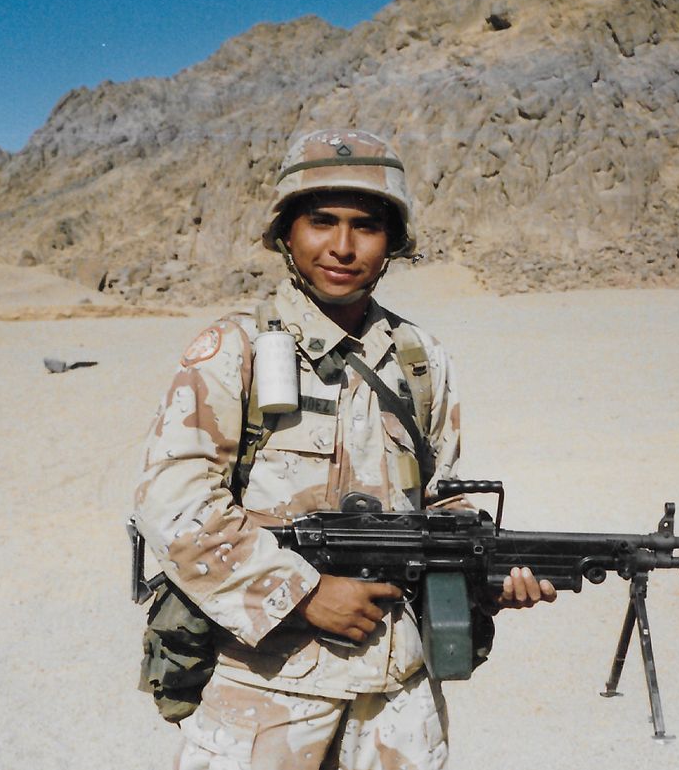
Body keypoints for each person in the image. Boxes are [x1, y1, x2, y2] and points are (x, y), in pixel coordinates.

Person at [132, 129, 555, 770]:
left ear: (394, 242)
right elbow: (174, 503)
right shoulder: (234, 350)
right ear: (286, 233)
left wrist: (489, 566)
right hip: (266, 693)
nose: (343, 246)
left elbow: (445, 494)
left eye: (366, 226)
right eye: (321, 221)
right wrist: (301, 592)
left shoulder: (419, 359)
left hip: (397, 699)